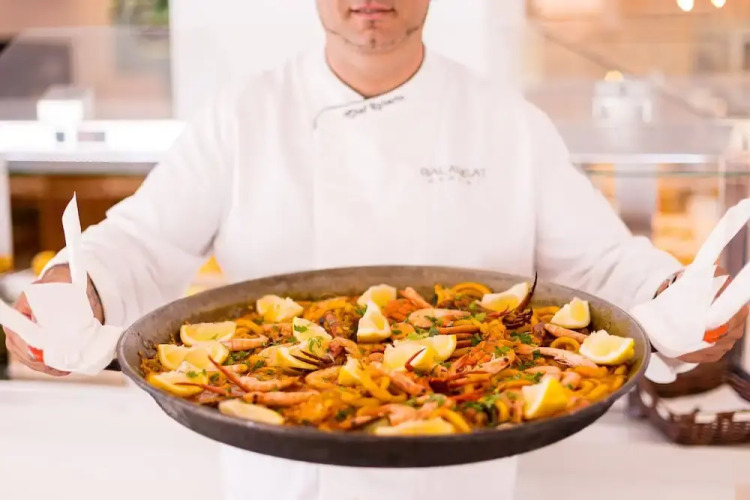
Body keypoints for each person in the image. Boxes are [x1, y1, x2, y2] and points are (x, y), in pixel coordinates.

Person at [5, 1, 747, 499]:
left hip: (460, 480)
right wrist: (78, 286)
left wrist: (675, 300)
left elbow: (603, 266)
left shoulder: (506, 122)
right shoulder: (242, 115)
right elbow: (141, 242)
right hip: (281, 478)